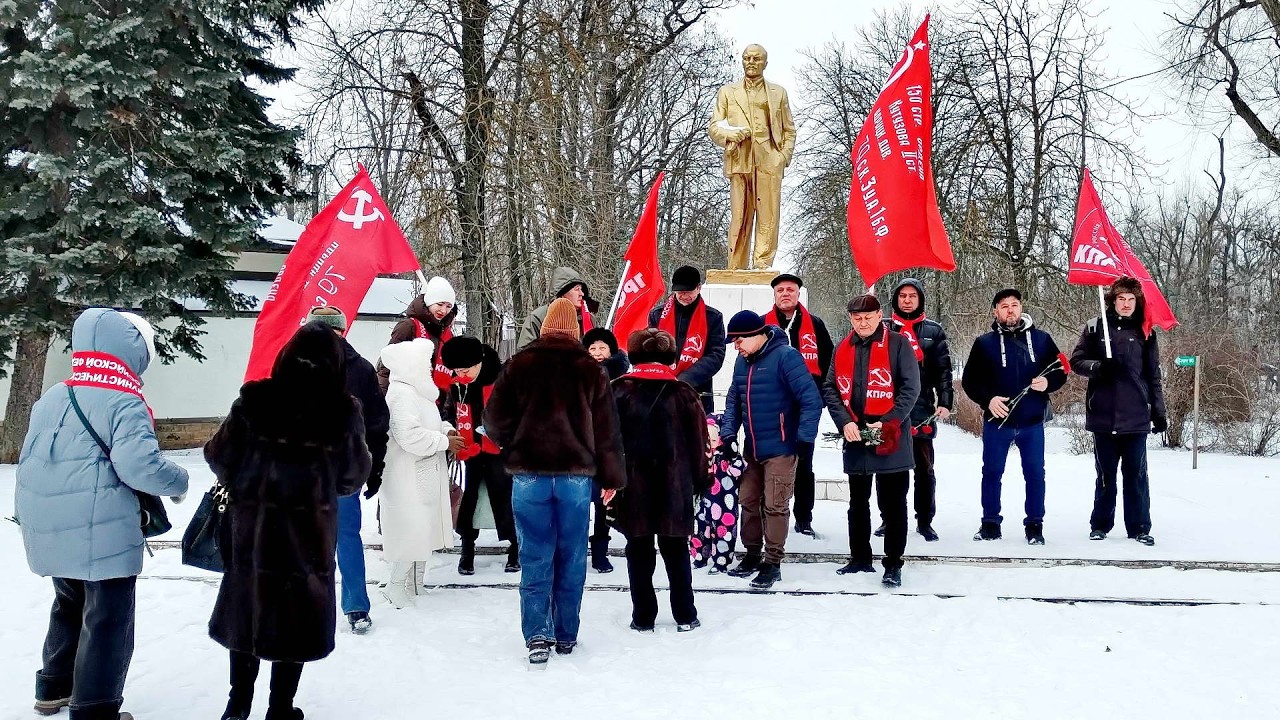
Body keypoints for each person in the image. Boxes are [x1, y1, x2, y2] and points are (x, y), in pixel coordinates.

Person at [16, 308, 190, 720]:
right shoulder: (123, 399)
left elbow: (29, 457)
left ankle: (54, 688)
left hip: (50, 519)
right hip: (101, 525)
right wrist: (179, 481)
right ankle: (95, 707)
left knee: (68, 601)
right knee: (108, 616)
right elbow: (139, 467)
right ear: (132, 350)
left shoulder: (56, 394)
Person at [205, 322, 371, 720]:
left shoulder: (254, 400)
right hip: (306, 538)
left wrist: (250, 481)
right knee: (295, 619)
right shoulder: (342, 412)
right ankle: (280, 708)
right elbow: (351, 477)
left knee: (249, 610)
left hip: (252, 533)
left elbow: (218, 456)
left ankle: (236, 706)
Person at [483, 298, 627, 666]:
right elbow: (607, 431)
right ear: (575, 331)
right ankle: (566, 633)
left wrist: (515, 443)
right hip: (575, 479)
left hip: (529, 476)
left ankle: (537, 634)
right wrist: (611, 477)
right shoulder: (591, 370)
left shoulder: (518, 365)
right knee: (572, 555)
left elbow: (494, 420)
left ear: (545, 326)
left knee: (534, 554)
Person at [610, 329, 709, 632]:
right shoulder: (684, 393)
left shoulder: (618, 391)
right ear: (670, 356)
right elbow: (699, 445)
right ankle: (685, 614)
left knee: (638, 552)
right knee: (676, 551)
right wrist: (700, 483)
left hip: (632, 488)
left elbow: (608, 442)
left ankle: (643, 617)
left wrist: (610, 482)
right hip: (674, 488)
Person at [718, 310, 823, 590]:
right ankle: (752, 554)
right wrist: (728, 434)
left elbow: (811, 400)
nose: (736, 347)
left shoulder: (786, 357)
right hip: (752, 447)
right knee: (748, 501)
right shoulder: (742, 363)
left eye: (738, 341)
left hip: (782, 447)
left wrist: (804, 438)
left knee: (775, 505)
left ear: (755, 335)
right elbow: (733, 401)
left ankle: (772, 562)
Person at [822, 295, 921, 587]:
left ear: (880, 315)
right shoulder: (842, 348)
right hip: (856, 434)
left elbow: (910, 388)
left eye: (868, 317)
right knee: (857, 502)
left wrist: (889, 422)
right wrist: (845, 422)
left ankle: (893, 563)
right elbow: (830, 388)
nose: (862, 323)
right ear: (850, 318)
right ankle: (860, 557)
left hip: (891, 434)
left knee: (893, 504)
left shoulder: (898, 344)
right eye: (857, 318)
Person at [961, 289, 1068, 545]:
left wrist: (1047, 382)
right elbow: (969, 381)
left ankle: (1034, 525)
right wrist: (988, 400)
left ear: (1021, 308)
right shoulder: (984, 343)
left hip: (1032, 422)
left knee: (1034, 474)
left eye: (1015, 305)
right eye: (1004, 306)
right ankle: (990, 524)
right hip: (998, 422)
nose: (1010, 310)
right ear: (996, 311)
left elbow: (1061, 370)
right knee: (992, 472)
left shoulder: (1042, 340)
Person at [306, 307, 390, 635]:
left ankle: (326, 605)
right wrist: (373, 465)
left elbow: (376, 422)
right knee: (343, 537)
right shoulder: (360, 368)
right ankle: (355, 607)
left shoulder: (297, 367)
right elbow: (377, 425)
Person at [1069, 277, 1167, 546]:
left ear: (1137, 302)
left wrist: (1158, 411)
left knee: (1136, 475)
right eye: (1121, 299)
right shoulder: (1094, 327)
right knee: (1105, 475)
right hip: (1103, 414)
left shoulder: (1145, 331)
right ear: (1112, 300)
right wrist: (1099, 367)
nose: (1126, 304)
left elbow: (1153, 374)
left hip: (1135, 415)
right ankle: (1100, 524)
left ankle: (1139, 527)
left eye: (1131, 299)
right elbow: (1076, 362)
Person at [378, 338, 464, 608]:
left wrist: (446, 429)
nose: (429, 368)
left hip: (422, 473)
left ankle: (415, 584)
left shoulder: (419, 393)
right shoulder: (401, 394)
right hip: (407, 476)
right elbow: (409, 436)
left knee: (423, 529)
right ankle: (395, 585)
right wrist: (444, 442)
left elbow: (431, 424)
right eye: (424, 363)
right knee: (411, 531)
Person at [707, 43, 797, 270]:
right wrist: (732, 134)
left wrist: (783, 156)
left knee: (768, 216)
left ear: (765, 63)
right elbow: (714, 127)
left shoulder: (778, 93)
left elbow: (789, 129)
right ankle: (735, 266)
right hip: (739, 159)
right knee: (740, 216)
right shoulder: (727, 92)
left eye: (756, 59)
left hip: (769, 160)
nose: (751, 62)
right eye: (747, 58)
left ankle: (762, 265)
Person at [880, 278, 953, 542]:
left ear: (920, 299)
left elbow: (943, 370)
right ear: (896, 300)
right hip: (888, 407)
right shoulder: (883, 328)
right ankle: (888, 519)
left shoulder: (933, 331)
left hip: (921, 406)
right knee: (887, 467)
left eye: (913, 296)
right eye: (903, 296)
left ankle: (925, 520)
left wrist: (945, 400)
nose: (907, 300)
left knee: (924, 468)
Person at [439, 335, 519, 574]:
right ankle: (467, 548)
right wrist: (453, 433)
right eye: (457, 371)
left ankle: (515, 547)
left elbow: (517, 415)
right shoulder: (456, 384)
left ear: (479, 363)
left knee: (505, 497)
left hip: (500, 451)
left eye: (465, 370)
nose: (461, 375)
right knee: (469, 499)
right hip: (470, 450)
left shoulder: (504, 379)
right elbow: (448, 413)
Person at [764, 272, 834, 537]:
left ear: (798, 294)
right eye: (780, 290)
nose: (785, 294)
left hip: (805, 406)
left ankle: (804, 518)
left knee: (804, 463)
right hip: (772, 407)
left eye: (790, 290)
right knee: (771, 462)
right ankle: (770, 514)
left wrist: (820, 397)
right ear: (774, 294)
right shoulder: (763, 325)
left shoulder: (814, 325)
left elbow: (829, 364)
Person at [647, 265, 727, 414]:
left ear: (698, 288)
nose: (684, 296)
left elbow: (716, 355)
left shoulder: (713, 317)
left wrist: (686, 379)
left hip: (696, 392)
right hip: (661, 390)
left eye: (688, 292)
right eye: (680, 292)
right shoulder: (657, 315)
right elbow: (648, 351)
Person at [582, 326, 629, 572]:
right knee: (579, 503)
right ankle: (577, 550)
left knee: (604, 503)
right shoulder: (579, 377)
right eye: (593, 348)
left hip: (610, 449)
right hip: (583, 449)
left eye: (602, 348)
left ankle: (600, 552)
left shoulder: (622, 379)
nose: (598, 353)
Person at [377, 276, 459, 399]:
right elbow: (387, 366)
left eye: (448, 306)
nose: (443, 310)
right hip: (408, 398)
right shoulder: (409, 326)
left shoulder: (447, 333)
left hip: (436, 402)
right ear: (429, 302)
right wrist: (381, 399)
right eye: (440, 304)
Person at [692, 413, 746, 574]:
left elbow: (739, 468)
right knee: (700, 530)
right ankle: (700, 557)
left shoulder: (726, 455)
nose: (711, 440)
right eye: (707, 436)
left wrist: (733, 454)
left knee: (723, 532)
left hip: (724, 504)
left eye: (714, 436)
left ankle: (721, 560)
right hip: (703, 503)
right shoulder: (701, 455)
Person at [516, 267, 599, 349]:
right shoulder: (537, 318)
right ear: (562, 292)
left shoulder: (589, 319)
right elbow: (525, 354)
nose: (582, 294)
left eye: (581, 289)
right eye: (577, 289)